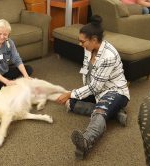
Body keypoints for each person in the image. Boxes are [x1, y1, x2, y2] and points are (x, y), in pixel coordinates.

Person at [56, 15, 130, 160]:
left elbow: (95, 87)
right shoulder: (89, 49)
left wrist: (71, 93)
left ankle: (86, 140)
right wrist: (72, 95)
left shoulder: (108, 56)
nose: (80, 44)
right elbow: (88, 75)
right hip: (97, 90)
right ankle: (115, 113)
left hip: (116, 92)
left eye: (82, 41)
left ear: (94, 40)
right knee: (71, 104)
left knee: (99, 110)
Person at [0, 19, 33, 92]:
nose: (2, 37)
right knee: (3, 86)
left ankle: (12, 82)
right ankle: (11, 82)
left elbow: (17, 60)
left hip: (4, 71)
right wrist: (7, 82)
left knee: (28, 69)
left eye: (5, 34)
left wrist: (26, 76)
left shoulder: (10, 43)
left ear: (8, 34)